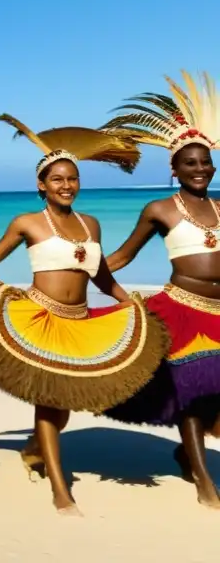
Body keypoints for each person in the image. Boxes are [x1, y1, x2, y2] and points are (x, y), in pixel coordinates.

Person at [0, 114, 168, 515]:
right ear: (42, 185)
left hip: (81, 322)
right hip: (40, 318)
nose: (66, 185)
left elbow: (102, 277)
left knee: (63, 410)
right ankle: (59, 488)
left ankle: (33, 450)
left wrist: (128, 303)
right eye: (57, 179)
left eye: (72, 178)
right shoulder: (28, 223)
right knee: (48, 405)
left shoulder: (91, 224)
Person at [99, 70, 220, 507]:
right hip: (182, 308)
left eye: (206, 162)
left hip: (219, 311)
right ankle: (205, 481)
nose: (201, 169)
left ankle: (187, 454)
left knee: (213, 398)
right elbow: (125, 255)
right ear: (174, 169)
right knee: (190, 394)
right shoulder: (160, 209)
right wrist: (85, 269)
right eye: (191, 163)